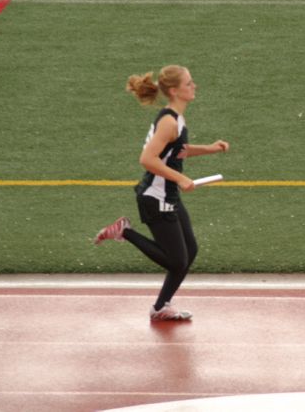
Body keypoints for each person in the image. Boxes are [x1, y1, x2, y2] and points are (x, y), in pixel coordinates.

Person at [94, 65, 229, 321]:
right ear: (175, 91)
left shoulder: (176, 118)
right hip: (155, 198)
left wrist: (211, 149)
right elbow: (147, 159)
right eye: (189, 83)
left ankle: (160, 307)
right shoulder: (169, 122)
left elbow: (178, 150)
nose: (194, 86)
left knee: (190, 251)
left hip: (168, 195)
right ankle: (125, 231)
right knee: (177, 261)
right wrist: (181, 178)